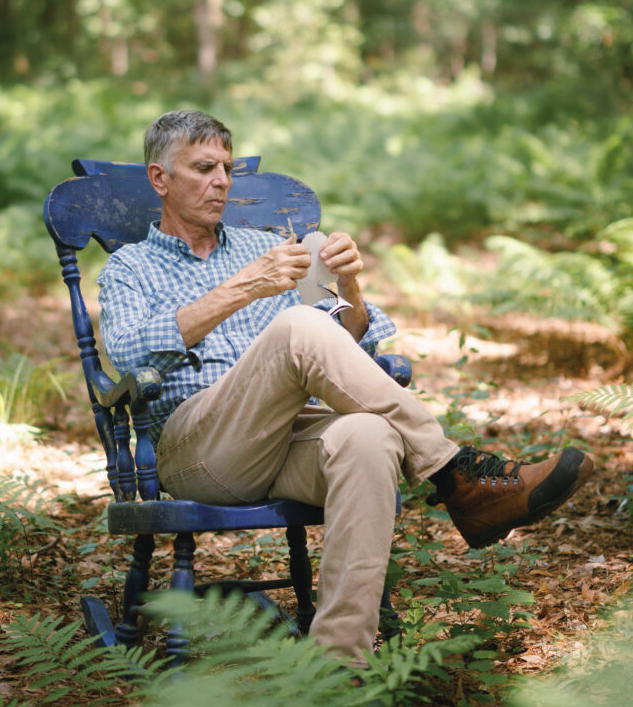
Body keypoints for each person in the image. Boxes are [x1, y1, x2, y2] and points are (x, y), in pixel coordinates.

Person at [98, 109, 594, 667]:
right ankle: (459, 477)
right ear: (159, 178)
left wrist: (350, 283)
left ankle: (339, 669)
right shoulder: (130, 268)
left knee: (367, 437)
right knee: (296, 327)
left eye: (228, 169)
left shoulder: (263, 246)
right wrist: (242, 289)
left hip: (285, 438)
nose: (221, 182)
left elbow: (349, 340)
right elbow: (127, 354)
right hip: (199, 450)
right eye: (204, 168)